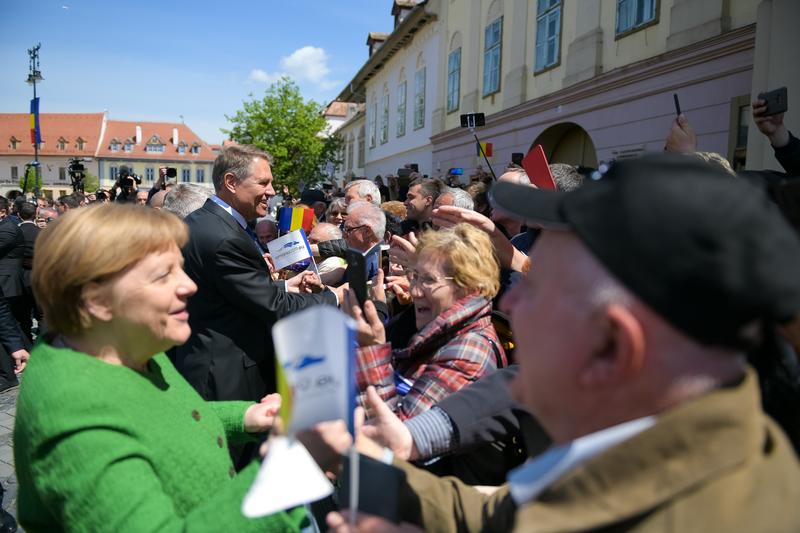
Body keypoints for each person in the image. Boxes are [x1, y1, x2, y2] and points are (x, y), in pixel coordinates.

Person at [334, 154, 800, 532]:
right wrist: (377, 463)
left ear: (615, 344)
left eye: (537, 287)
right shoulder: (639, 443)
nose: (508, 307)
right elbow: (501, 514)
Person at [14, 203, 310, 531]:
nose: (189, 286)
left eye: (181, 269)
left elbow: (164, 418)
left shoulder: (121, 343)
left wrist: (247, 416)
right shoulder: (71, 413)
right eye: (163, 275)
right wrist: (288, 470)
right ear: (96, 300)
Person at [173, 145, 338, 467]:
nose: (272, 192)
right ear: (231, 182)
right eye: (263, 183)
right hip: (226, 374)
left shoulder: (205, 222)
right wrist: (334, 298)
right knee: (232, 467)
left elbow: (229, 291)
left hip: (212, 359)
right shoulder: (223, 236)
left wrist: (280, 285)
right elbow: (273, 306)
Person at [347, 223, 506, 420]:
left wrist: (370, 350)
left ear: (469, 286)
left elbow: (395, 436)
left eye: (429, 280)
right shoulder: (442, 328)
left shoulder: (469, 353)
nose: (414, 291)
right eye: (415, 277)